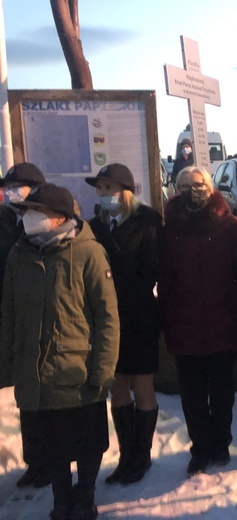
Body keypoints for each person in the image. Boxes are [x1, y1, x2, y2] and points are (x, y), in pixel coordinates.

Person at [0, 183, 120, 520]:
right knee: (50, 443)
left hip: (76, 368)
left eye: (36, 212)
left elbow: (107, 315)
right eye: (26, 212)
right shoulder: (19, 254)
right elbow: (8, 312)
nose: (29, 218)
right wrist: (7, 363)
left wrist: (104, 368)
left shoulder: (87, 251)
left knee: (86, 440)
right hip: (35, 369)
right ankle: (61, 497)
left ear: (59, 217)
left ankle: (86, 494)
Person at [159, 166, 237, 477]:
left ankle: (221, 443)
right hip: (185, 324)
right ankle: (200, 448)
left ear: (210, 188)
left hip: (224, 321)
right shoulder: (169, 230)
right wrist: (166, 316)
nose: (191, 190)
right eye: (184, 185)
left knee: (223, 392)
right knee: (192, 394)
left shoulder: (230, 226)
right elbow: (164, 278)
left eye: (197, 184)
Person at [85, 163, 162, 484]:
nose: (104, 195)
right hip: (106, 320)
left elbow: (150, 272)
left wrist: (120, 304)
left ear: (125, 192)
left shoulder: (148, 222)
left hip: (139, 316)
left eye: (110, 189)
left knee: (142, 386)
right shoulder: (93, 228)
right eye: (101, 189)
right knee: (117, 386)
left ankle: (141, 458)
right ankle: (127, 456)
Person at [0, 163, 50, 490]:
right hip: (12, 320)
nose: (10, 192)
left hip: (44, 321)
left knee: (47, 399)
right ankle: (35, 462)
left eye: (16, 186)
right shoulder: (4, 221)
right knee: (26, 398)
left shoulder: (47, 222)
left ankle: (51, 462)